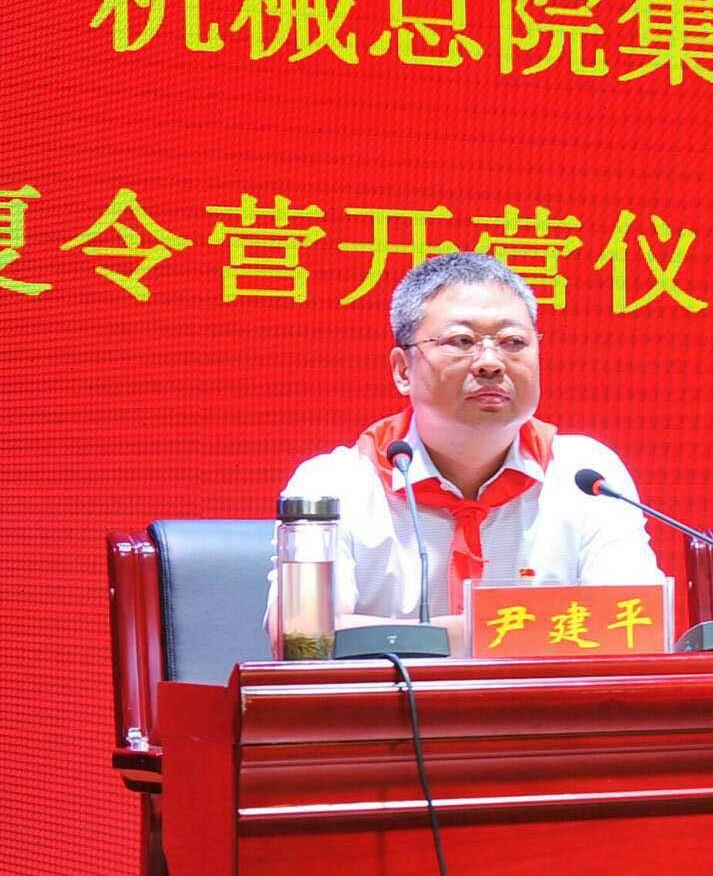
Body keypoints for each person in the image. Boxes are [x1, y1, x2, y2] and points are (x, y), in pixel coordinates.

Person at [268, 251, 665, 648]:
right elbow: (303, 637)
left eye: (513, 342)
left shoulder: (586, 475)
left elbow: (635, 626)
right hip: (392, 692)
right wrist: (507, 633)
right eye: (462, 341)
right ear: (403, 370)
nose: (491, 363)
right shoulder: (332, 487)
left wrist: (445, 637)